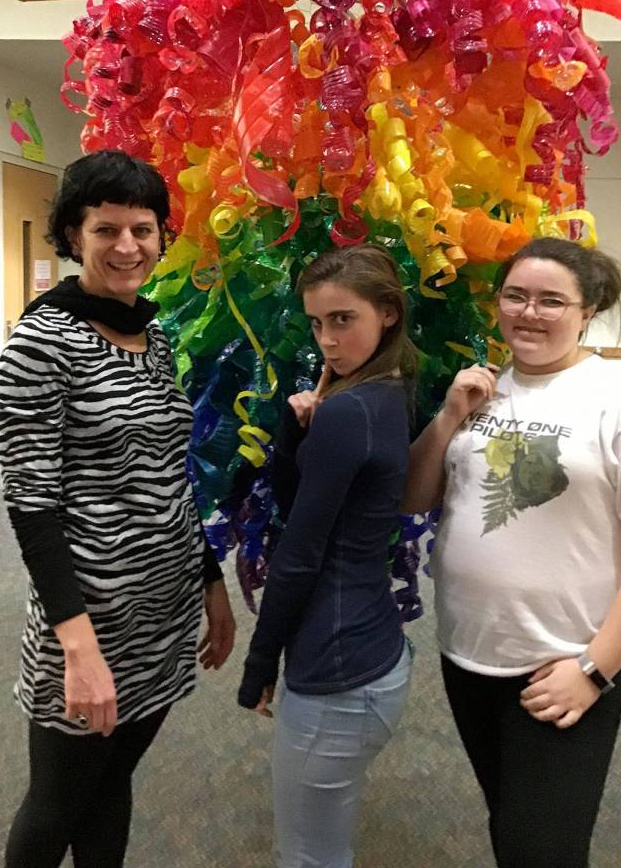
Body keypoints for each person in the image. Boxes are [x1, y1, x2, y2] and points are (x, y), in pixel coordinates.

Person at [403, 236, 621, 868]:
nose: (528, 312)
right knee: (510, 821)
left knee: (541, 850)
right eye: (515, 295)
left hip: (564, 667)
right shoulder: (486, 388)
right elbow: (416, 497)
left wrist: (595, 670)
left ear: (587, 309)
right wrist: (449, 417)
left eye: (550, 300)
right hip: (468, 656)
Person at [0, 149, 235, 868]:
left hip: (160, 614)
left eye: (143, 228)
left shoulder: (155, 336)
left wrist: (210, 582)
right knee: (57, 804)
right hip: (87, 619)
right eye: (106, 229)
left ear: (162, 235)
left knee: (112, 780)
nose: (127, 246)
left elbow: (170, 475)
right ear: (73, 236)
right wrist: (78, 646)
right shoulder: (41, 345)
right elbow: (32, 507)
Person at [238, 244, 417, 868]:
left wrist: (259, 664)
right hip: (371, 654)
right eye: (317, 323)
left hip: (338, 672)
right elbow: (306, 503)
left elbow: (299, 552)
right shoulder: (388, 390)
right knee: (323, 843)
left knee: (310, 857)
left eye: (344, 320)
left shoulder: (351, 409)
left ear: (387, 313)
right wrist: (298, 430)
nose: (327, 341)